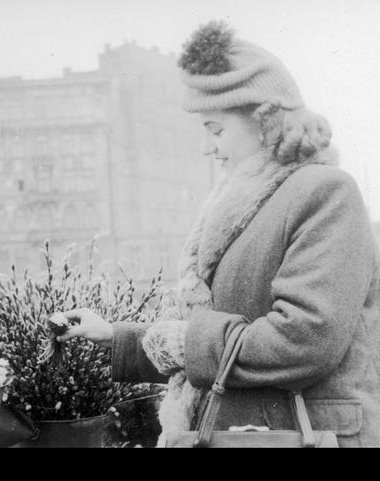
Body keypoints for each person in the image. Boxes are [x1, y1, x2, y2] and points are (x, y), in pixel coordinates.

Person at [54, 21, 380, 447]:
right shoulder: (248, 200)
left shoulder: (325, 193)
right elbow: (213, 340)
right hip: (252, 432)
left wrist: (183, 342)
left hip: (306, 437)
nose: (208, 147)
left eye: (216, 129)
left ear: (264, 122)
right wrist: (116, 337)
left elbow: (303, 342)